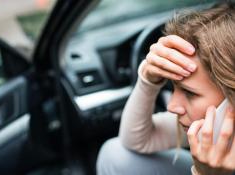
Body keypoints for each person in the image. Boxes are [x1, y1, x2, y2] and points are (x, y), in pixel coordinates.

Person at [96, 2, 235, 175]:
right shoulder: (210, 123)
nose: (171, 106)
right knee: (115, 154)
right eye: (172, 86)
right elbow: (137, 141)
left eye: (190, 92)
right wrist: (148, 79)